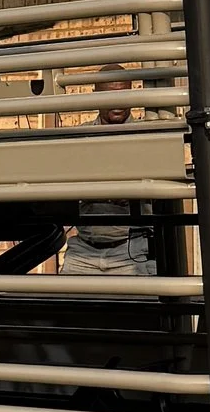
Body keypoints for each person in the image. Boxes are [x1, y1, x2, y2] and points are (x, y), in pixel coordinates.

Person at [59, 73, 155, 276]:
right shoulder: (79, 138)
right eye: (110, 97)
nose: (117, 104)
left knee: (146, 304)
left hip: (132, 247)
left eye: (123, 96)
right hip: (83, 249)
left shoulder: (147, 135)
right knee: (64, 303)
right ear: (96, 96)